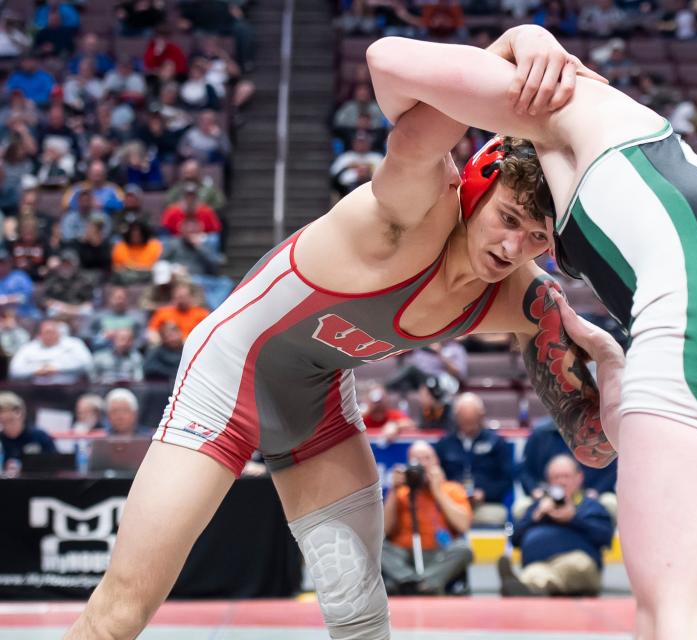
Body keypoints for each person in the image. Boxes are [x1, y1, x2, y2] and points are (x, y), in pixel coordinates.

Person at [66, 29, 607, 640]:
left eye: (538, 238)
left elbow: (591, 445)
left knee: (361, 622)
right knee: (119, 615)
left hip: (314, 396)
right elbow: (384, 60)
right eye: (508, 219)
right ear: (476, 189)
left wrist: (613, 376)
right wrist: (518, 39)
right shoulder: (413, 212)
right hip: (229, 373)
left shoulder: (525, 297)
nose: (514, 249)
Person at [368, 25, 697, 637]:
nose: (517, 248)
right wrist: (614, 371)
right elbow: (597, 447)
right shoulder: (628, 149)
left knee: (679, 619)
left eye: (531, 231)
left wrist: (516, 43)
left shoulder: (549, 100)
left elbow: (388, 62)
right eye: (521, 230)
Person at [499, 454, 613, 596]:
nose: (561, 482)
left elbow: (605, 538)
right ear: (548, 481)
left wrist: (573, 519)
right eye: (556, 477)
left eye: (566, 476)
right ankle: (524, 589)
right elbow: (515, 539)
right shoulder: (538, 506)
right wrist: (536, 516)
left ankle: (528, 590)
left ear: (579, 478)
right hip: (539, 562)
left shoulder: (589, 506)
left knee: (573, 567)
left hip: (578, 561)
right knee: (533, 573)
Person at [381, 440, 474, 595]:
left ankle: (418, 585)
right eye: (417, 460)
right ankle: (416, 582)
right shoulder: (401, 492)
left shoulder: (451, 489)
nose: (422, 464)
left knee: (463, 549)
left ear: (436, 462)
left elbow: (463, 526)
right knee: (377, 547)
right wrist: (393, 491)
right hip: (404, 556)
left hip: (439, 554)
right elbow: (384, 530)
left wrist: (438, 491)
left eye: (427, 458)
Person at [516, 415, 618, 520]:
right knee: (521, 507)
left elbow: (611, 470)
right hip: (547, 493)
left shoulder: (598, 432)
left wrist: (597, 490)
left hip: (588, 494)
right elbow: (524, 470)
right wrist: (534, 490)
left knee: (610, 503)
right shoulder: (540, 433)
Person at [435, 392, 514, 526]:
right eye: (464, 421)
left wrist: (484, 493)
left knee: (494, 516)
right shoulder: (444, 444)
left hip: (486, 503)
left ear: (481, 417)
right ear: (456, 418)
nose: (468, 427)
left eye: (472, 422)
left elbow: (507, 479)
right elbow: (438, 476)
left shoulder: (497, 443)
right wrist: (453, 493)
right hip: (451, 501)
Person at [8, 318, 93, 384]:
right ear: (40, 334)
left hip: (69, 389)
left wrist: (57, 368)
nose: (49, 336)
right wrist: (36, 370)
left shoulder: (74, 344)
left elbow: (87, 363)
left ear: (58, 332)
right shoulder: (28, 348)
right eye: (46, 333)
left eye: (52, 332)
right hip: (35, 390)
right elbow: (14, 371)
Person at [0, 390, 55, 472]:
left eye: (2, 410)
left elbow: (55, 464)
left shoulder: (39, 436)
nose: (2, 416)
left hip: (35, 482)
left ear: (19, 412)